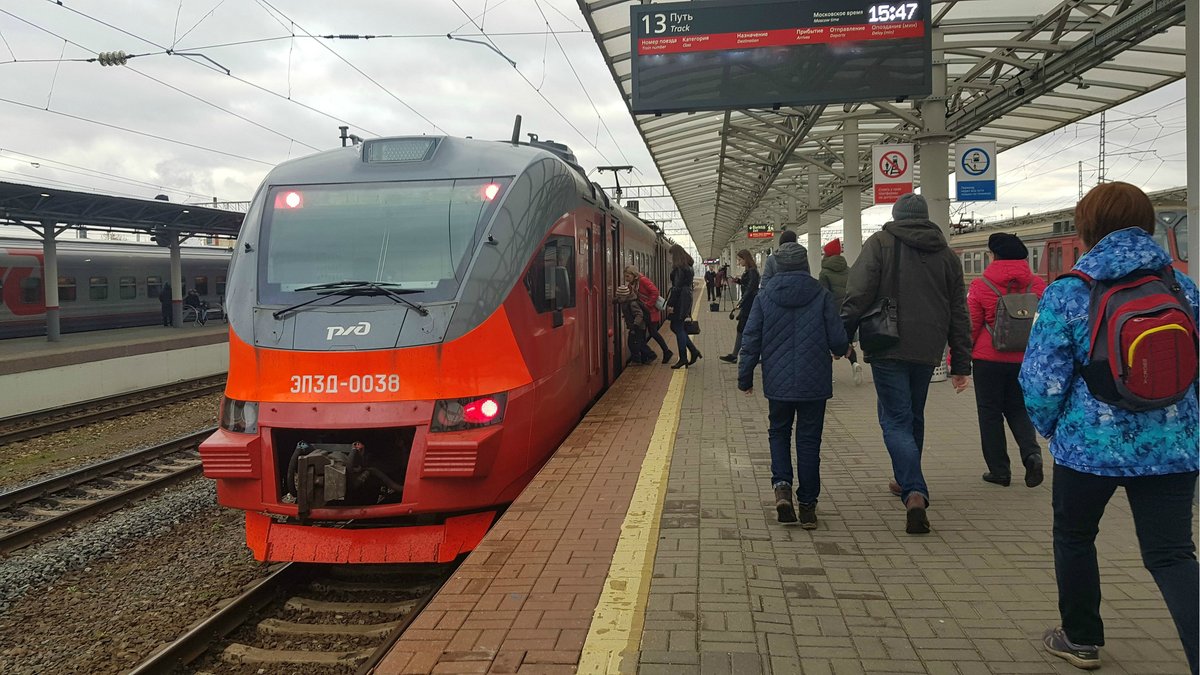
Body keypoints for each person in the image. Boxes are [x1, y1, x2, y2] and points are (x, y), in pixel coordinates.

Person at [1019, 182, 1198, 673]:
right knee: (1172, 555)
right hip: (1172, 446)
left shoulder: (1070, 291)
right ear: (1148, 223)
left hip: (1088, 447)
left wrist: (1049, 429)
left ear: (1087, 227)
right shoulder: (1181, 287)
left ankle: (1080, 639)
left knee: (1075, 537)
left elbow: (1041, 380)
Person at [840, 193, 972, 535]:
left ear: (897, 216)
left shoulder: (881, 243)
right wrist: (961, 362)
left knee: (895, 420)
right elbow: (959, 311)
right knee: (914, 414)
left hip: (888, 343)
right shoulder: (945, 254)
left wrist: (841, 338)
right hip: (929, 347)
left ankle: (914, 491)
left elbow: (858, 293)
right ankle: (904, 478)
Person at [737, 241, 848, 529]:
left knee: (779, 433)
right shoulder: (821, 294)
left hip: (778, 382)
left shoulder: (764, 297)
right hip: (814, 383)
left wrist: (745, 378)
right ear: (804, 265)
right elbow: (838, 339)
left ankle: (782, 490)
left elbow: (750, 341)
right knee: (809, 441)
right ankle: (808, 506)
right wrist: (838, 349)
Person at [968, 232, 1046, 488]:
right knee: (1019, 408)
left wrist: (957, 358)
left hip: (988, 360)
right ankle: (1032, 454)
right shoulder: (1037, 285)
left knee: (989, 413)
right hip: (1024, 358)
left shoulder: (981, 285)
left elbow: (971, 326)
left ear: (994, 256)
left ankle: (999, 471)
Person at [819, 238, 863, 385]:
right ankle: (855, 364)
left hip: (832, 312)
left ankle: (827, 376)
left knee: (827, 344)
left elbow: (823, 295)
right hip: (849, 310)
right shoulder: (848, 269)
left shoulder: (824, 272)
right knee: (847, 342)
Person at [624, 265, 673, 364]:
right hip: (645, 313)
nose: (626, 279)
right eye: (625, 276)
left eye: (628, 276)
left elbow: (655, 292)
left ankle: (666, 352)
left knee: (653, 332)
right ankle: (649, 356)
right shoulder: (632, 285)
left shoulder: (643, 280)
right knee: (645, 334)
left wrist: (648, 305)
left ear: (634, 275)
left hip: (651, 312)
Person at [720, 249, 759, 363]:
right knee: (745, 329)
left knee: (745, 329)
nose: (738, 262)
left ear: (745, 259)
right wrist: (738, 281)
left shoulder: (752, 271)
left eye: (740, 259)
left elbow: (750, 289)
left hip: (750, 305)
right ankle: (735, 355)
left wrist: (740, 303)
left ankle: (735, 355)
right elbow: (748, 285)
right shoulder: (750, 271)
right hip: (749, 305)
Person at [666, 244, 701, 369]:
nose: (670, 258)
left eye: (671, 255)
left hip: (681, 299)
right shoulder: (688, 266)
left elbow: (676, 288)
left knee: (677, 327)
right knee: (676, 327)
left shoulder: (680, 268)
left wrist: (670, 304)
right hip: (686, 298)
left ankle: (683, 358)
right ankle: (693, 351)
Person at [615, 284, 656, 365]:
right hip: (636, 326)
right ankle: (641, 358)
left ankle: (647, 356)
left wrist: (635, 325)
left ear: (625, 297)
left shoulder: (632, 303)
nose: (618, 300)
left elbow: (639, 314)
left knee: (634, 343)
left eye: (619, 298)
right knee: (637, 343)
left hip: (638, 326)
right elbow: (618, 300)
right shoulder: (627, 300)